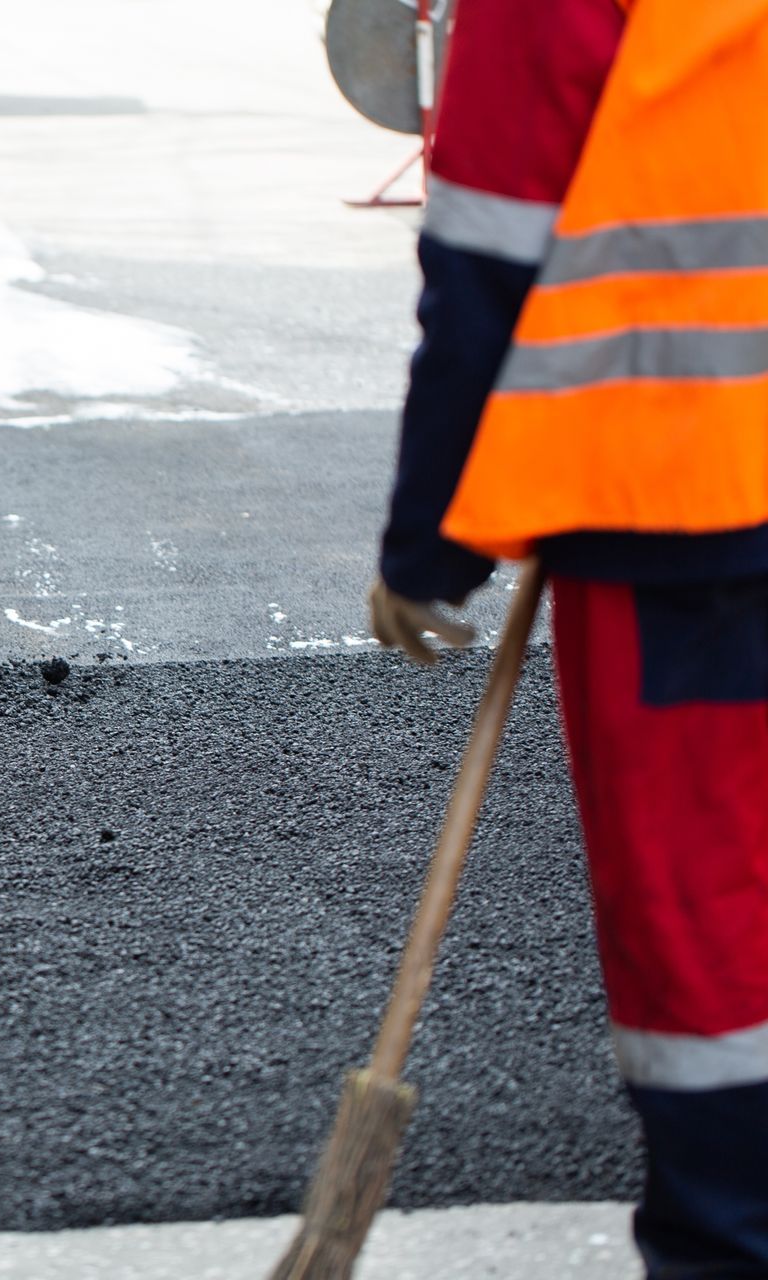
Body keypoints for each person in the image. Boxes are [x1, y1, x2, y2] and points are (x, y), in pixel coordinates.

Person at [369, 0, 768, 1271]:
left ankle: (728, 1245)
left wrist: (429, 553)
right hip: (693, 502)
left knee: (712, 930)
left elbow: (489, 259)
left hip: (688, 509)